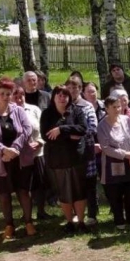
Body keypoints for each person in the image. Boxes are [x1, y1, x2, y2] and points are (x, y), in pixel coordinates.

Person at [0, 78, 36, 239]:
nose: (5, 97)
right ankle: (9, 225)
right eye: (2, 94)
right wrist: (3, 150)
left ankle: (28, 222)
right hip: (0, 160)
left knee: (23, 192)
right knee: (4, 194)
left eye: (8, 94)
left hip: (20, 159)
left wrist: (15, 148)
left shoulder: (18, 111)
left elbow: (27, 130)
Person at [40, 85, 90, 234]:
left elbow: (82, 129)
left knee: (79, 191)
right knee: (64, 192)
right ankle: (69, 221)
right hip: (57, 160)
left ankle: (81, 221)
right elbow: (46, 136)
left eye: (65, 96)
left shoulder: (77, 111)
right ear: (54, 97)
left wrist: (61, 130)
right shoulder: (47, 114)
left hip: (76, 158)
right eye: (59, 95)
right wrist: (70, 136)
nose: (62, 98)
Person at [97, 96, 130, 229]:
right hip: (112, 165)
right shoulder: (102, 126)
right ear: (106, 109)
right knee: (115, 193)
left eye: (119, 106)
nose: (118, 109)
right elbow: (105, 148)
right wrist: (126, 154)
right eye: (114, 107)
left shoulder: (127, 119)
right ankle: (119, 220)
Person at [66, 76, 100, 225]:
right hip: (69, 153)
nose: (72, 90)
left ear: (80, 89)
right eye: (70, 87)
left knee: (89, 183)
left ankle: (92, 214)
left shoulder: (86, 106)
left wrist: (75, 135)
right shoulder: (63, 105)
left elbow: (93, 127)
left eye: (76, 87)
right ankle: (76, 213)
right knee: (73, 184)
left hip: (86, 150)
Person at [13, 85, 49, 220]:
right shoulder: (9, 112)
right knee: (22, 185)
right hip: (20, 154)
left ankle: (41, 210)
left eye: (21, 95)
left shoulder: (34, 109)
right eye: (15, 96)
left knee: (40, 183)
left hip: (37, 151)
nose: (19, 99)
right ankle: (25, 213)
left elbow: (43, 127)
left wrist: (40, 142)